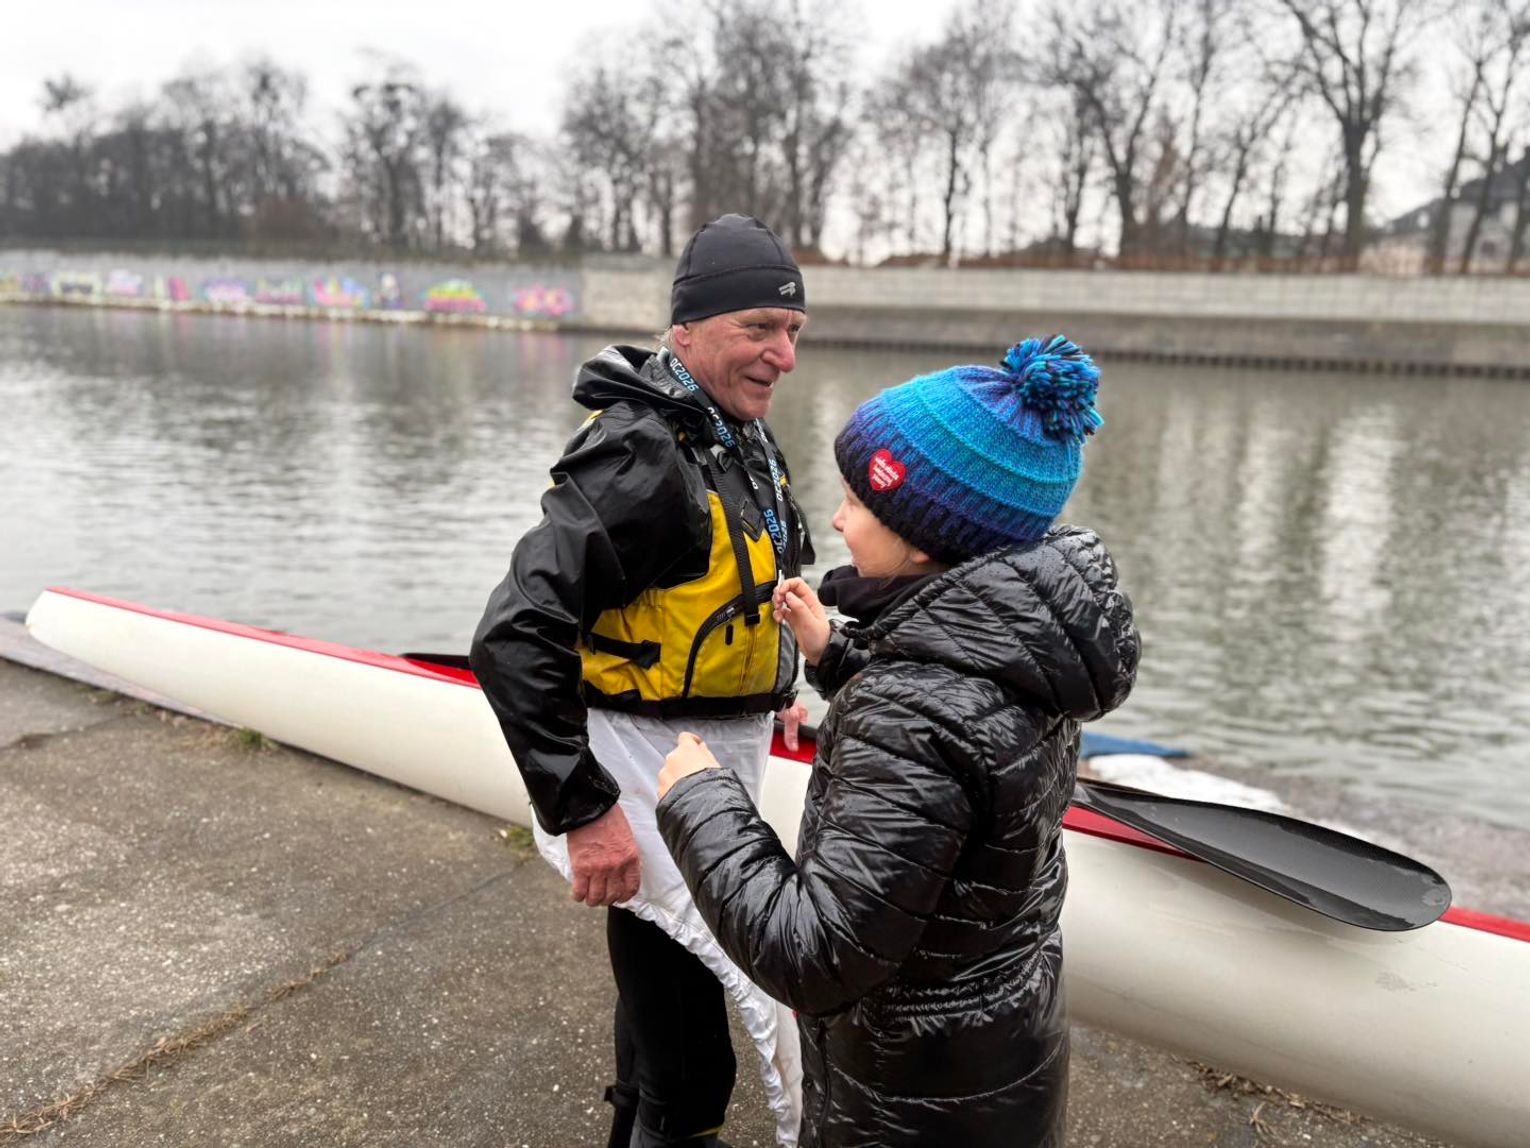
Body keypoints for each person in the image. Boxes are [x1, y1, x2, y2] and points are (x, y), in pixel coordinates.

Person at [655, 335, 1141, 1147]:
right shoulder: (1035, 649)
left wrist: (702, 804)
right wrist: (834, 656)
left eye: (856, 499)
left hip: (908, 1095)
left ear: (920, 536)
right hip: (999, 1053)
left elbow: (813, 955)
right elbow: (965, 742)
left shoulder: (912, 714)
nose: (837, 517)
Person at [470, 214, 815, 1148]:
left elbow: (738, 583)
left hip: (712, 759)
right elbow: (513, 633)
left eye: (792, 331)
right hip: (643, 770)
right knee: (702, 1067)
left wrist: (781, 677)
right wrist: (583, 809)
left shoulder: (734, 433)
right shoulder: (642, 453)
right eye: (757, 328)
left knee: (663, 1025)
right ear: (685, 332)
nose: (783, 355)